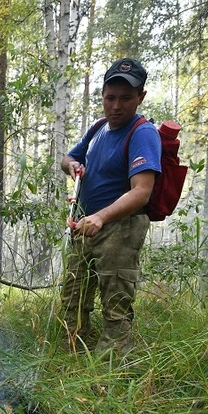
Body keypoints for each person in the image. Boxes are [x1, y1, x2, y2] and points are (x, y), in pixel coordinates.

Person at [59, 58, 162, 355]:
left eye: (126, 98)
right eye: (110, 98)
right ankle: (71, 357)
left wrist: (102, 217)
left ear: (140, 97)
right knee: (73, 299)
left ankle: (110, 373)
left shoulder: (143, 133)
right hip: (84, 225)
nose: (116, 106)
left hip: (120, 228)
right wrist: (74, 165)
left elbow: (142, 192)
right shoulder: (98, 128)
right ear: (102, 95)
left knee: (115, 303)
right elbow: (67, 159)